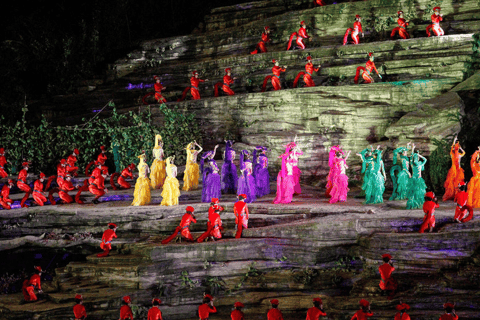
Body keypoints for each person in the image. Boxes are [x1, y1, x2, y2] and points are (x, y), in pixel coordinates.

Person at [443, 136, 465, 201]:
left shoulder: (455, 154)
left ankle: (456, 195)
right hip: (455, 169)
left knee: (456, 182)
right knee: (453, 182)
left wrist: (455, 142)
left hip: (457, 169)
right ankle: (454, 195)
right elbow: (463, 152)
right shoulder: (454, 154)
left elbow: (463, 152)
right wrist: (456, 143)